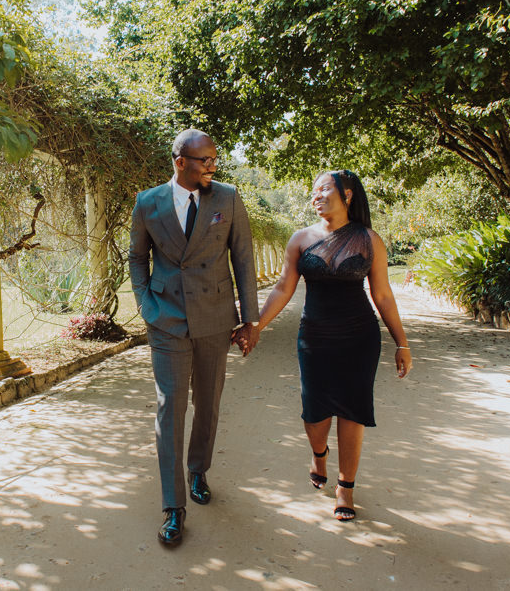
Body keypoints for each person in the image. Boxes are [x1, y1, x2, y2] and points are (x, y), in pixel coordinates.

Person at [253, 169, 412, 521]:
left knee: (352, 410)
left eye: (324, 189)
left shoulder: (370, 239)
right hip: (315, 335)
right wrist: (257, 326)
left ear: (348, 194)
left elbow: (383, 295)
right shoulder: (300, 239)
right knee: (315, 411)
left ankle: (346, 488)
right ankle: (319, 453)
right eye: (314, 191)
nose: (317, 196)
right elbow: (283, 288)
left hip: (359, 336)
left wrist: (402, 343)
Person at [128, 128, 260, 546]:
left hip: (215, 317)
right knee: (171, 406)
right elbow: (136, 257)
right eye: (204, 160)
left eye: (214, 159)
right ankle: (173, 506)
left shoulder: (228, 197)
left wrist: (249, 319)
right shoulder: (148, 202)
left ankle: (198, 469)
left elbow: (243, 257)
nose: (212, 166)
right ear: (179, 161)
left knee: (208, 401)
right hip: (167, 318)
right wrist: (146, 305)